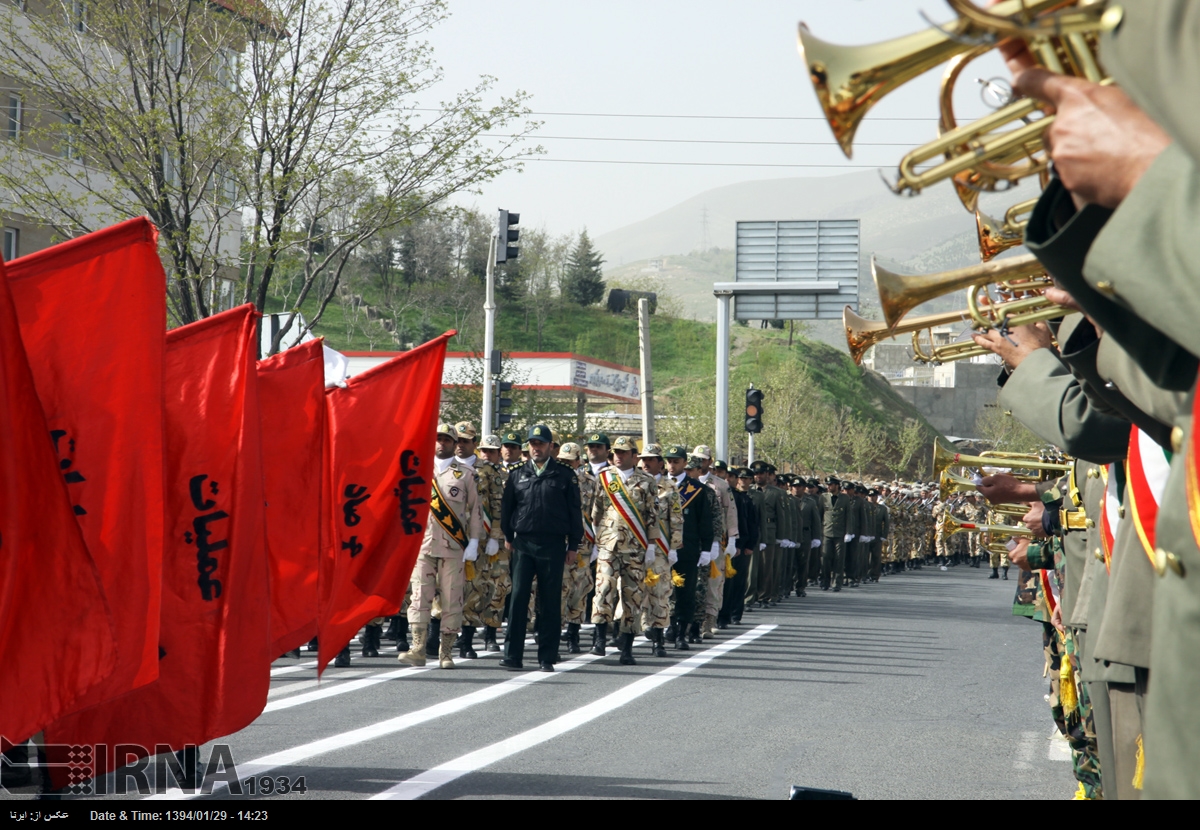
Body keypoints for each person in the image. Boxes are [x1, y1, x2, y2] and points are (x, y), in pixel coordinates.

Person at [499, 424, 583, 672]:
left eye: (541, 444)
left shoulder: (565, 475)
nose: (536, 448)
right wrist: (508, 535)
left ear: (550, 447)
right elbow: (507, 509)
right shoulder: (517, 474)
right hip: (523, 543)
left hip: (553, 544)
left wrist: (573, 545)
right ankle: (513, 655)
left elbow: (574, 513)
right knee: (518, 599)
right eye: (533, 444)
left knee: (549, 600)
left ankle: (547, 656)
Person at [398, 423, 482, 670]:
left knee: (452, 599)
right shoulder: (418, 471)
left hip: (452, 547)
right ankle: (418, 648)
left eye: (446, 439)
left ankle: (446, 652)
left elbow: (475, 510)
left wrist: (474, 541)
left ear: (454, 443)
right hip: (422, 546)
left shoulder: (466, 474)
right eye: (438, 439)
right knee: (419, 597)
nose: (441, 443)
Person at [590, 435, 662, 664]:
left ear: (634, 456)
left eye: (623, 453)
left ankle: (627, 648)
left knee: (633, 597)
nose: (618, 456)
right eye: (616, 453)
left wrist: (651, 545)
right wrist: (596, 539)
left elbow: (653, 515)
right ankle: (599, 639)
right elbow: (596, 510)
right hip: (608, 547)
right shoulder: (604, 477)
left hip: (636, 548)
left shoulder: (647, 481)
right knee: (603, 591)